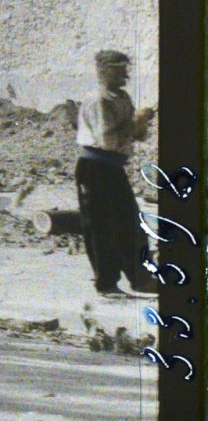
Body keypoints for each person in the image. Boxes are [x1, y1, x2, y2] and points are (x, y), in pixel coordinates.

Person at [75, 49, 156, 295]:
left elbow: (136, 136)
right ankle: (107, 284)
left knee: (131, 223)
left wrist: (141, 124)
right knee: (101, 227)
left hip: (113, 167)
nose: (125, 76)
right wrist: (136, 123)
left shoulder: (122, 98)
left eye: (126, 70)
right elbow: (107, 140)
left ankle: (140, 279)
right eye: (118, 70)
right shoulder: (99, 100)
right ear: (102, 71)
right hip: (95, 167)